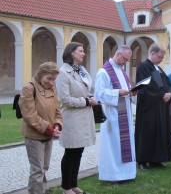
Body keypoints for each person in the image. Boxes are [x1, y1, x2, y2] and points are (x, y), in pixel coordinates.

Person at [56, 42, 98, 194]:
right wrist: (87, 101)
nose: (83, 53)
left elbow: (84, 91)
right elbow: (65, 99)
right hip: (72, 118)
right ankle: (66, 187)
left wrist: (90, 97)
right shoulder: (62, 72)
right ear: (72, 53)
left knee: (79, 151)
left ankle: (73, 185)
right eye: (80, 51)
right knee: (70, 152)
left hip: (83, 117)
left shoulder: (81, 70)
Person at [94, 45, 137, 182]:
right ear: (118, 54)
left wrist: (132, 92)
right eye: (125, 59)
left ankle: (127, 174)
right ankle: (112, 175)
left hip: (125, 113)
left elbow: (127, 90)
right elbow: (99, 94)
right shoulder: (103, 72)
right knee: (113, 147)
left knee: (125, 144)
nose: (125, 62)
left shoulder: (122, 73)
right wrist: (117, 92)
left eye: (127, 60)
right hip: (112, 115)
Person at [19, 62, 62, 194]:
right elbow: (30, 115)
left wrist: (57, 125)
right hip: (34, 136)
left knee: (44, 168)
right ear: (40, 75)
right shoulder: (29, 88)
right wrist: (49, 129)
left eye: (53, 80)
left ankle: (40, 191)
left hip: (48, 135)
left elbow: (57, 110)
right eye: (48, 79)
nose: (51, 82)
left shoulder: (52, 88)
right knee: (37, 170)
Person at [135, 43, 171, 170]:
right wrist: (162, 95)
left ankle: (156, 159)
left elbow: (167, 83)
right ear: (152, 54)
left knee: (159, 132)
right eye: (160, 57)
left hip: (160, 106)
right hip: (148, 106)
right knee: (147, 133)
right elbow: (146, 86)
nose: (161, 59)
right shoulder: (143, 67)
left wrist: (169, 93)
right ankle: (142, 160)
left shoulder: (159, 69)